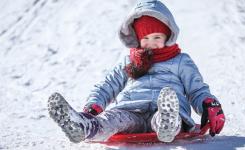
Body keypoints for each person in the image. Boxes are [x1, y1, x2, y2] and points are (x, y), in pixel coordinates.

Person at [48, 0, 225, 143]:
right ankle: (85, 127)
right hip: (131, 110)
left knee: (169, 115)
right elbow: (107, 86)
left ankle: (167, 124)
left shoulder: (181, 61)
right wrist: (92, 108)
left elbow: (197, 90)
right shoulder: (130, 61)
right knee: (112, 118)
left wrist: (209, 104)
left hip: (166, 109)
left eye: (157, 37)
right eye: (145, 38)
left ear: (168, 35)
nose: (151, 42)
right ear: (138, 39)